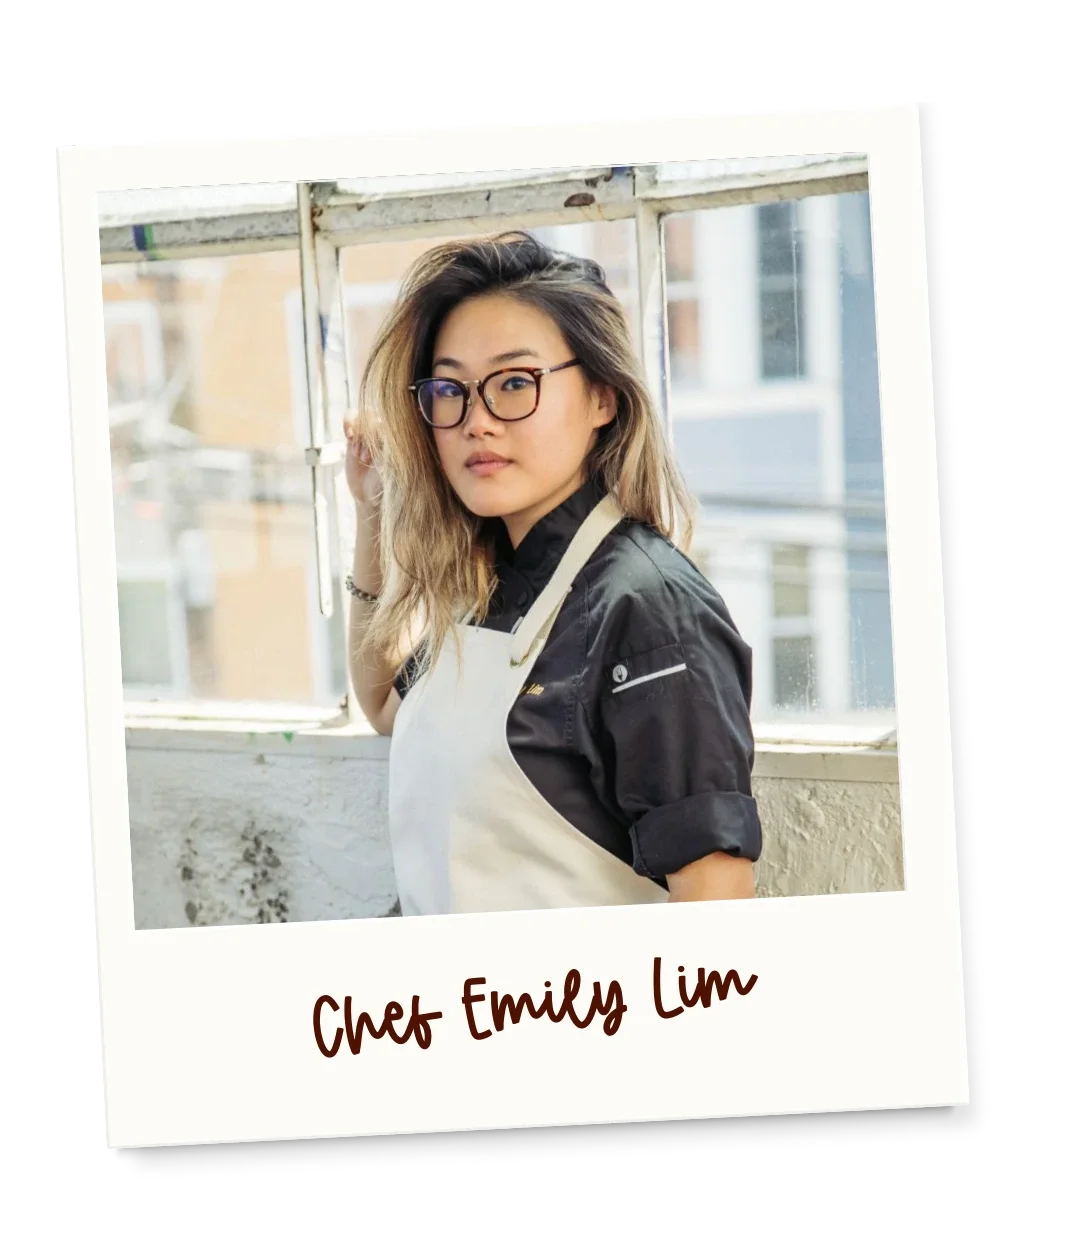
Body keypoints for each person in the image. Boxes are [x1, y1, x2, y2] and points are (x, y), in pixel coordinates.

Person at [342, 230, 761, 917]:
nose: (476, 421)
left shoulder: (648, 609)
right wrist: (372, 512)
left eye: (514, 382)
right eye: (451, 389)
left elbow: (714, 902)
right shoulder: (490, 583)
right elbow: (385, 703)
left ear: (602, 398)